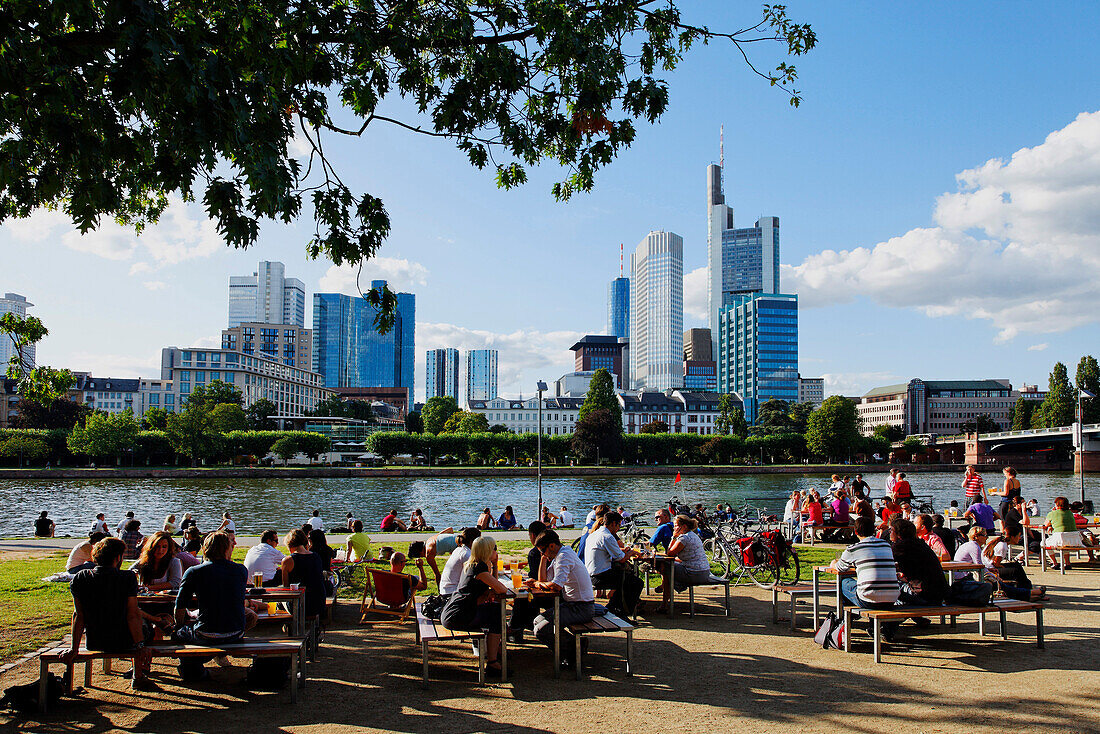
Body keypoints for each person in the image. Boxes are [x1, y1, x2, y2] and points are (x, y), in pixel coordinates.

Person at [64, 538, 173, 690]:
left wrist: (73, 649)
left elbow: (79, 615)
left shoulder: (81, 578)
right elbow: (132, 614)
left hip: (95, 641)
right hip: (125, 640)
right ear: (118, 558)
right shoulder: (126, 578)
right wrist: (140, 646)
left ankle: (139, 672)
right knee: (147, 626)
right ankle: (139, 675)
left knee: (145, 621)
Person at [173, 532, 258, 681]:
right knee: (249, 615)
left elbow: (180, 605)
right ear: (227, 549)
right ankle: (211, 656)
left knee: (178, 633)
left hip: (206, 633)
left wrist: (178, 626)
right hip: (236, 632)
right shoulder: (240, 570)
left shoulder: (194, 572)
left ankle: (193, 662)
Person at [440, 536, 511, 676]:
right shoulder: (479, 569)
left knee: (494, 611)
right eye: (494, 549)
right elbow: (501, 590)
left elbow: (492, 586)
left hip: (454, 611)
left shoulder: (473, 564)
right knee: (496, 614)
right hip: (458, 616)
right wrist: (494, 566)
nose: (496, 552)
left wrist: (495, 565)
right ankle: (493, 662)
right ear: (488, 551)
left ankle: (496, 653)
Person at [527, 530, 596, 671]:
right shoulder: (559, 555)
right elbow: (544, 581)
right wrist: (543, 559)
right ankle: (575, 646)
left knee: (541, 629)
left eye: (543, 550)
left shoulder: (564, 556)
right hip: (572, 605)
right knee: (536, 621)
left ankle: (572, 653)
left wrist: (536, 584)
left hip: (581, 607)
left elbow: (556, 586)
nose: (543, 553)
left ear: (551, 546)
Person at [886, 516, 947, 639]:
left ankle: (887, 628)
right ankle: (917, 618)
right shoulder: (920, 544)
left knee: (890, 588)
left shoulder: (900, 547)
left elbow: (883, 563)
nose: (889, 532)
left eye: (891, 530)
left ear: (898, 534)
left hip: (925, 595)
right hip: (939, 594)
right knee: (900, 587)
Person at [829, 516, 900, 612]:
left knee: (844, 582)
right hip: (892, 597)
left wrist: (833, 563)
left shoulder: (853, 548)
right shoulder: (886, 545)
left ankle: (846, 617)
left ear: (856, 531)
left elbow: (840, 568)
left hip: (868, 599)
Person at [583, 511, 641, 617]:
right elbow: (621, 559)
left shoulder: (596, 534)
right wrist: (632, 552)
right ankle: (622, 612)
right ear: (613, 523)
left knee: (628, 579)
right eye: (619, 525)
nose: (619, 528)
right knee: (636, 583)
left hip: (591, 573)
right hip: (599, 576)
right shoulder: (607, 536)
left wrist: (624, 551)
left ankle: (613, 607)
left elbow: (611, 551)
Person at [654, 515, 712, 614]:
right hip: (704, 572)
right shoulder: (693, 535)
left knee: (667, 568)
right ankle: (665, 594)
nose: (674, 528)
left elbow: (669, 553)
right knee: (668, 568)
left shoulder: (683, 538)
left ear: (684, 527)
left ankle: (665, 604)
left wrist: (673, 537)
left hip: (694, 574)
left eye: (676, 525)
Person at [506, 522, 546, 642]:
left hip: (547, 591)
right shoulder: (550, 548)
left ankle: (514, 628)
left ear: (533, 535)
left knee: (522, 597)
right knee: (523, 598)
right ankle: (518, 627)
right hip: (556, 588)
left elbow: (535, 578)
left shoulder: (535, 552)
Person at [982, 531, 1046, 601]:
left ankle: (1027, 590)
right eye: (1018, 536)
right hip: (989, 570)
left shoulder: (1002, 543)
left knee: (1016, 565)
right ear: (1012, 537)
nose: (1019, 538)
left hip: (989, 567)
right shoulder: (1002, 546)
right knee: (1015, 570)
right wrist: (1004, 566)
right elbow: (996, 563)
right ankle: (1028, 591)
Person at [279, 529, 327, 619]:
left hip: (300, 605)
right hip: (319, 603)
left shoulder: (288, 560)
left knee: (279, 602)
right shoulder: (316, 556)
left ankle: (288, 626)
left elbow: (285, 588)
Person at [439, 527, 482, 596]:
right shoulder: (466, 554)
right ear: (473, 541)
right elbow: (478, 575)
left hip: (446, 590)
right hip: (452, 593)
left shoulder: (460, 549)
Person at [1043, 496, 1083, 570]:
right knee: (1065, 543)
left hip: (1060, 538)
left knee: (1043, 543)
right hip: (1074, 540)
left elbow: (1045, 525)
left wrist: (1051, 523)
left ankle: (1054, 562)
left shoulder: (1052, 513)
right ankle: (1067, 563)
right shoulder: (1070, 513)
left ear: (1057, 505)